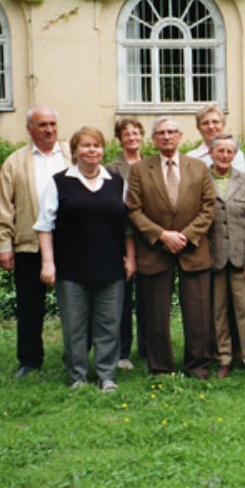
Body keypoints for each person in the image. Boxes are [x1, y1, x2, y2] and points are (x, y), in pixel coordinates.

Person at [35, 126, 135, 391]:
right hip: (71, 268)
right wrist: (48, 262)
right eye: (86, 146)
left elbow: (127, 225)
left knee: (109, 324)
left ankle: (107, 375)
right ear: (75, 151)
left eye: (97, 145)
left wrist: (130, 258)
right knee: (74, 325)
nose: (92, 150)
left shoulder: (116, 182)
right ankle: (77, 375)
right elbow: (45, 226)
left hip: (110, 265)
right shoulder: (59, 182)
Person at [126, 117, 216, 379]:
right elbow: (133, 208)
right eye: (161, 133)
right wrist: (162, 235)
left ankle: (197, 366)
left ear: (180, 136)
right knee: (155, 312)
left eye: (171, 132)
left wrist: (185, 236)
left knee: (198, 311)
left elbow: (209, 206)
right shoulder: (140, 170)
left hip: (193, 249)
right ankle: (161, 367)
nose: (166, 137)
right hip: (155, 250)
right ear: (153, 139)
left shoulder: (199, 167)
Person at [0, 106, 71, 379]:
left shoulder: (72, 156)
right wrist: (4, 245)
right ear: (29, 129)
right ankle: (29, 361)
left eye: (52, 124)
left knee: (74, 306)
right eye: (42, 125)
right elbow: (4, 207)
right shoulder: (15, 162)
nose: (48, 129)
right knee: (29, 306)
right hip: (29, 244)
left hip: (70, 244)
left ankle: (75, 359)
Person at [207, 134, 245, 379]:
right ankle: (224, 358)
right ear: (211, 153)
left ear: (235, 155)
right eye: (220, 150)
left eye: (230, 151)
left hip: (242, 259)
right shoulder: (200, 179)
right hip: (213, 258)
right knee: (217, 312)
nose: (224, 155)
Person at [106, 118, 146, 370]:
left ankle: (147, 345)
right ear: (119, 138)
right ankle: (122, 351)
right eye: (126, 133)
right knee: (123, 297)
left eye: (135, 133)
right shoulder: (111, 168)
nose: (131, 137)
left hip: (149, 238)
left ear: (142, 136)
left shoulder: (151, 164)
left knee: (148, 296)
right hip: (121, 237)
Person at [186, 104, 245, 174]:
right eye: (205, 123)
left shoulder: (237, 155)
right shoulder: (191, 158)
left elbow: (242, 182)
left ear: (223, 125)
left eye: (215, 122)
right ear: (199, 128)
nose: (211, 126)